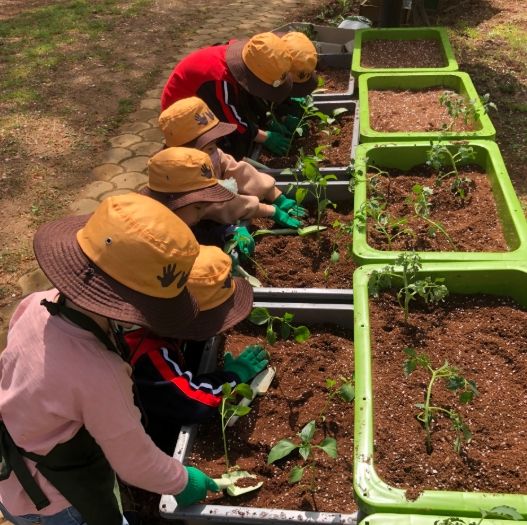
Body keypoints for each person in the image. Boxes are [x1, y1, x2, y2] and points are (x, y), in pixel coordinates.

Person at [0, 194, 221, 524]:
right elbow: (134, 462)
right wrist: (182, 481)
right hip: (59, 501)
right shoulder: (100, 373)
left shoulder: (35, 303)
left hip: (12, 471)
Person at [127, 244, 268, 454]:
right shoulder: (149, 355)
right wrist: (232, 376)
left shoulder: (155, 310)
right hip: (139, 438)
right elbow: (192, 404)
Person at [140, 146, 303, 256]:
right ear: (176, 201)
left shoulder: (184, 215)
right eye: (199, 207)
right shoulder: (155, 239)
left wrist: (226, 232)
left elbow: (202, 233)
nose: (203, 212)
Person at [160, 32, 293, 159]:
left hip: (206, 94)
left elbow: (251, 97)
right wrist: (265, 137)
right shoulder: (220, 81)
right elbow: (233, 122)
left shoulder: (250, 56)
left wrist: (269, 120)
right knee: (229, 144)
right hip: (181, 115)